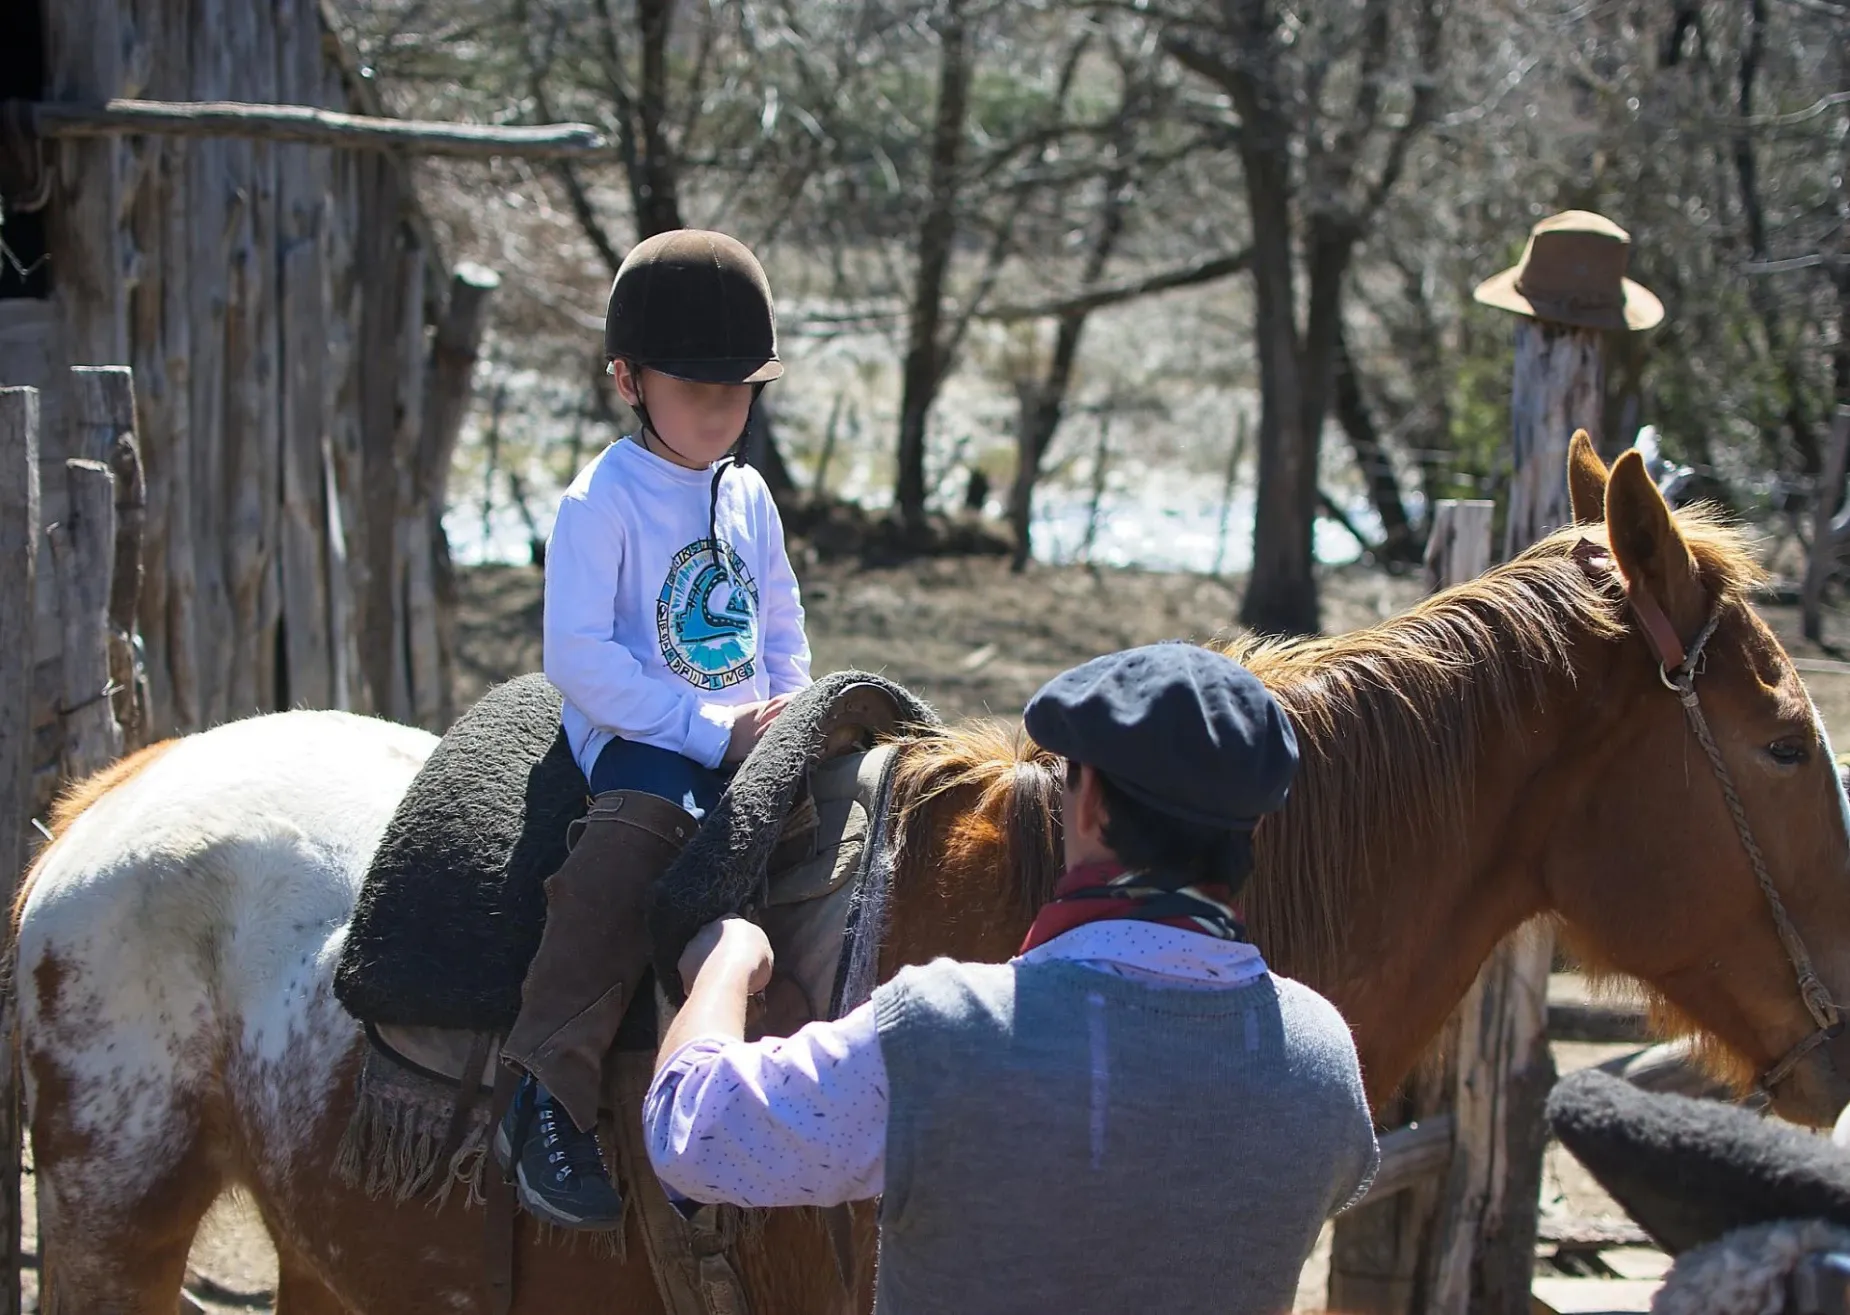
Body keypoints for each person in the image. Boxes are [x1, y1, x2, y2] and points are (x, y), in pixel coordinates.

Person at [643, 643, 1378, 1313]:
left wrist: (725, 961)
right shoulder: (1324, 1058)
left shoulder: (949, 1032)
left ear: (1087, 801)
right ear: (1249, 828)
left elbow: (693, 1134)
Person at [496, 229, 813, 1230]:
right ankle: (550, 1081)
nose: (723, 411)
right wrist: (706, 732)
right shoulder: (601, 500)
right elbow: (579, 658)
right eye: (697, 389)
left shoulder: (748, 492)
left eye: (738, 391)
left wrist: (793, 716)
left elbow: (780, 625)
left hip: (740, 729)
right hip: (638, 733)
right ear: (627, 380)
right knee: (640, 836)